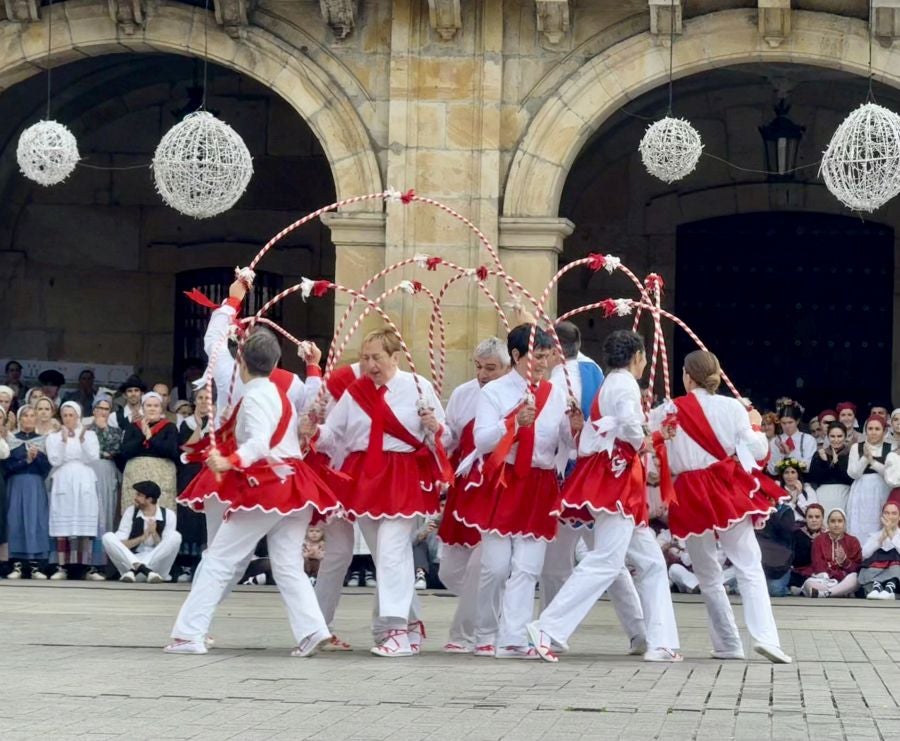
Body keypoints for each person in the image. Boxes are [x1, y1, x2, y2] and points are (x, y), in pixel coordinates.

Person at [167, 328, 339, 656]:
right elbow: (308, 407)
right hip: (294, 485)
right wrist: (314, 370)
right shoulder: (278, 393)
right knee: (287, 562)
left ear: (242, 361)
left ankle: (189, 634)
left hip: (271, 486)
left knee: (220, 558)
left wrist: (229, 460)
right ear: (275, 362)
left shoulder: (257, 395)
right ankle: (313, 629)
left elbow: (259, 443)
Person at [526, 330, 680, 663]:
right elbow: (626, 425)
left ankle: (659, 640)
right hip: (618, 476)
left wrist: (648, 433)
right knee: (606, 561)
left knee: (651, 562)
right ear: (637, 356)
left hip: (615, 474)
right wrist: (647, 438)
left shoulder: (612, 381)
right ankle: (548, 627)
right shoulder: (624, 384)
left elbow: (619, 426)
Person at [307, 327, 447, 658]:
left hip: (401, 475)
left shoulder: (418, 387)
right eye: (365, 358)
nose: (370, 365)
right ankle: (406, 629)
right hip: (364, 478)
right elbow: (335, 435)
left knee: (391, 550)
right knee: (386, 557)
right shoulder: (356, 392)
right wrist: (313, 428)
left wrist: (435, 427)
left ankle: (395, 629)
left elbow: (446, 436)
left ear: (395, 357)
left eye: (377, 358)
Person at [453, 324, 580, 660]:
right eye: (536, 356)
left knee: (527, 567)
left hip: (539, 483)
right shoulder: (494, 392)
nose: (543, 363)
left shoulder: (555, 393)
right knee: (495, 566)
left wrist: (575, 428)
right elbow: (481, 440)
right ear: (516, 355)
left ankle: (513, 637)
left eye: (547, 356)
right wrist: (512, 423)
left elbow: (565, 443)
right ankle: (485, 632)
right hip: (502, 480)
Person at [655, 350, 791, 664]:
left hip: (689, 490)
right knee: (748, 564)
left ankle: (728, 643)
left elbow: (657, 450)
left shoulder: (668, 410)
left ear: (687, 377)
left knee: (707, 573)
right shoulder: (733, 407)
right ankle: (766, 639)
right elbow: (757, 451)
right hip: (725, 487)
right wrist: (755, 425)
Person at [437, 337, 509, 654]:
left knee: (483, 566)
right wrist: (435, 431)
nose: (482, 374)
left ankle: (471, 633)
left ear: (507, 366)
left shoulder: (516, 396)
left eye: (490, 368)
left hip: (498, 486)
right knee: (450, 570)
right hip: (464, 486)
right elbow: (451, 437)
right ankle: (498, 610)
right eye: (479, 367)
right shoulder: (463, 394)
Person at [46, 401, 103, 581]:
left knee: (84, 521)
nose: (69, 419)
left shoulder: (90, 434)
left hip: (84, 478)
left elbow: (93, 457)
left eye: (72, 415)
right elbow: (55, 460)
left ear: (78, 416)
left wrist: (82, 439)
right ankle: (62, 566)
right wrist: (63, 441)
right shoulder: (53, 436)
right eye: (65, 415)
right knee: (64, 522)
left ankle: (86, 567)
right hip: (63, 479)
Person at [3, 405, 52, 579]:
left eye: (33, 416)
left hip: (35, 485)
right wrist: (26, 460)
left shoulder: (42, 440)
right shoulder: (11, 439)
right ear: (20, 419)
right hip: (15, 485)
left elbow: (46, 468)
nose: (29, 419)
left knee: (35, 521)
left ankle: (35, 565)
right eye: (26, 416)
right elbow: (6, 466)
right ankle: (16, 564)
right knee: (14, 521)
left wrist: (37, 457)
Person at [102, 481, 181, 582]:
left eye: (139, 495)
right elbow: (121, 544)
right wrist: (142, 538)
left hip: (156, 569)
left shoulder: (169, 515)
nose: (135, 498)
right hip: (130, 564)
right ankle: (143, 569)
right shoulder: (131, 512)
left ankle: (140, 569)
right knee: (108, 537)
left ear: (149, 499)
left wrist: (154, 534)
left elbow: (166, 548)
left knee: (175, 536)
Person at [173, 387, 213, 581]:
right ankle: (187, 565)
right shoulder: (186, 423)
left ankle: (205, 564)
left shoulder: (218, 423)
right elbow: (187, 448)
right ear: (195, 401)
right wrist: (200, 426)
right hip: (191, 471)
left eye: (208, 398)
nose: (204, 401)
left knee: (207, 516)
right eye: (201, 397)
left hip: (211, 472)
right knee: (189, 516)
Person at [119, 392, 179, 513]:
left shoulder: (170, 427)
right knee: (134, 511)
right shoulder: (133, 427)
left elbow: (171, 451)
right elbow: (125, 452)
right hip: (136, 475)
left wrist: (151, 438)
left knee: (161, 510)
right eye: (149, 405)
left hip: (162, 476)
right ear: (142, 407)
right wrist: (143, 436)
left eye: (156, 406)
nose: (152, 408)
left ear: (161, 408)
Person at [87, 394, 124, 559]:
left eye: (106, 409)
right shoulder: (85, 430)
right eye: (99, 408)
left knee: (106, 513)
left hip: (107, 472)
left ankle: (101, 559)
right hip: (88, 472)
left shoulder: (116, 431)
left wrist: (103, 430)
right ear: (94, 410)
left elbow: (114, 450)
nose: (102, 412)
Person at [846, 416, 892, 540]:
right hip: (861, 491)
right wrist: (865, 458)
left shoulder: (890, 448)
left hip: (882, 489)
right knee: (860, 522)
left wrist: (873, 462)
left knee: (880, 520)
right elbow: (853, 473)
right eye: (870, 428)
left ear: (884, 431)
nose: (873, 432)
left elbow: (891, 474)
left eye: (877, 429)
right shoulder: (857, 447)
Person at [801, 508, 861, 598]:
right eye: (833, 521)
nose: (836, 524)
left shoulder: (853, 541)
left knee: (855, 578)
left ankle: (826, 593)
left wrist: (845, 562)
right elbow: (818, 565)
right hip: (825, 580)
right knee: (808, 584)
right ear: (828, 523)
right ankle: (840, 592)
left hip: (844, 580)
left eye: (840, 521)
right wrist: (833, 575)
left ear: (844, 523)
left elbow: (857, 567)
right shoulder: (819, 540)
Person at [806, 422, 852, 514]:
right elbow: (814, 480)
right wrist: (824, 461)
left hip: (845, 494)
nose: (836, 440)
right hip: (823, 495)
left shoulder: (851, 454)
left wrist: (836, 464)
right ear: (827, 437)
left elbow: (850, 479)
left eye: (839, 436)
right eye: (832, 436)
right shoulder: (819, 454)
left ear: (845, 436)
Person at [859, 501, 900, 600]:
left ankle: (890, 588)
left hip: (896, 574)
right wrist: (880, 539)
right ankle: (877, 588)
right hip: (877, 572)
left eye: (894, 513)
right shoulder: (875, 535)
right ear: (882, 516)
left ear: (899, 517)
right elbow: (864, 554)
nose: (890, 516)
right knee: (867, 570)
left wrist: (891, 534)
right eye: (887, 513)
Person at [767, 404, 816, 473]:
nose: (787, 426)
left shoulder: (808, 440)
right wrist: (780, 455)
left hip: (804, 480)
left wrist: (789, 455)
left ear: (797, 421)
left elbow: (808, 467)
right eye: (783, 423)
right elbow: (772, 470)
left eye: (790, 422)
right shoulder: (775, 441)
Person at [790, 503, 824, 592]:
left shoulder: (828, 536)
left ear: (822, 519)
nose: (814, 520)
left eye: (817, 517)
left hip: (822, 574)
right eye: (810, 517)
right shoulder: (797, 534)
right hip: (800, 573)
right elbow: (795, 559)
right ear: (806, 518)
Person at [775, 458, 818, 522]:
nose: (790, 476)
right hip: (786, 527)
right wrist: (793, 500)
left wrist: (800, 494)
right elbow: (780, 515)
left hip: (804, 527)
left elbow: (813, 513)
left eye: (793, 472)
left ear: (798, 474)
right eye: (786, 472)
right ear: (782, 475)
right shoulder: (778, 492)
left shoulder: (808, 490)